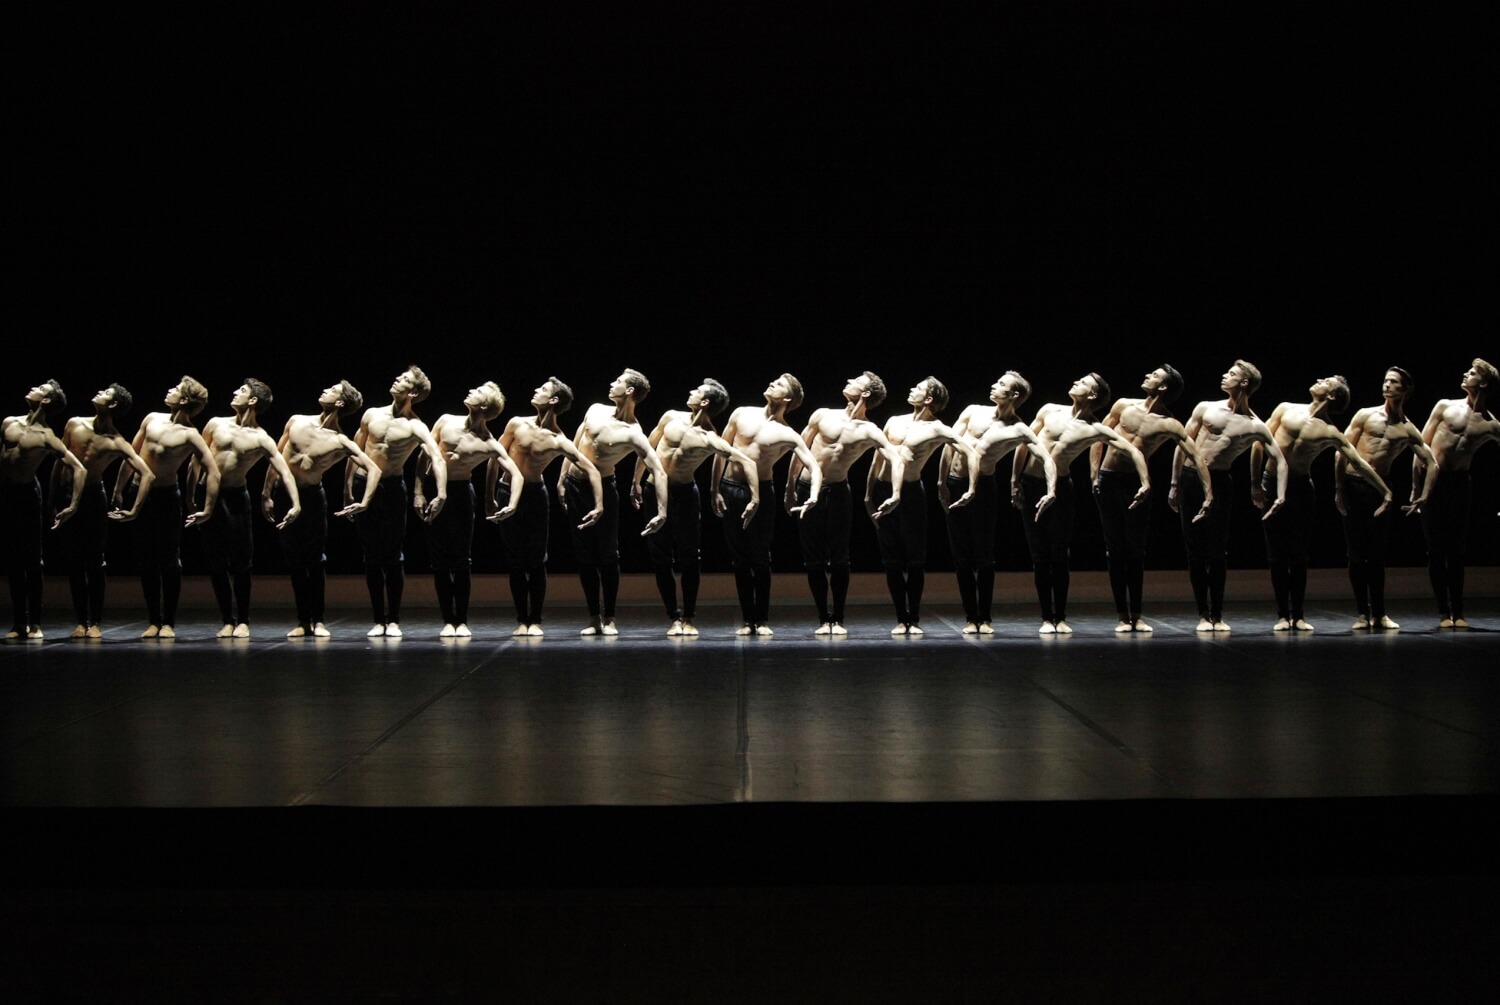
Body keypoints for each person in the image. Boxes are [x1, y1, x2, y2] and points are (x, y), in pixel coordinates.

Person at [1012, 372, 1151, 634]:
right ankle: (1046, 617)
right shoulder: (1050, 410)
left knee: (1059, 554)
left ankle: (1060, 617)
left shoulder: (1094, 428)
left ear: (1093, 395)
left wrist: (1145, 482)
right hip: (1032, 485)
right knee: (1039, 555)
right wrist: (1014, 481)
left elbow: (1132, 450)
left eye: (1083, 382)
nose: (1076, 382)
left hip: (1061, 489)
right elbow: (1025, 442)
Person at [1252, 376, 1391, 631]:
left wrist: (1385, 491)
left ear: (1331, 396)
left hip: (1300, 487)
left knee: (1299, 555)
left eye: (1325, 381)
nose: (1317, 380)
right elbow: (1260, 443)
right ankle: (1283, 615)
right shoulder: (1285, 408)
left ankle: (1299, 616)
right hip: (1271, 483)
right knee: (1277, 555)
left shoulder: (1330, 431)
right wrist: (1255, 483)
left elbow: (1358, 462)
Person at [1089, 365, 1213, 633]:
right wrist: (1094, 476)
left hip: (1138, 484)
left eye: (1154, 375)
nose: (1147, 375)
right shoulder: (1123, 405)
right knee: (1115, 550)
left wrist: (1208, 493)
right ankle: (1122, 616)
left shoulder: (1169, 423)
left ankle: (1138, 615)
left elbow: (1196, 456)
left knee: (1135, 550)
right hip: (1109, 480)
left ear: (1163, 387)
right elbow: (1098, 437)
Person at [632, 379, 760, 636]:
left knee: (690, 557)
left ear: (704, 402)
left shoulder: (709, 437)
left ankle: (688, 617)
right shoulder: (670, 417)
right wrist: (635, 480)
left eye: (697, 391)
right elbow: (647, 447)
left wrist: (755, 497)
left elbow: (747, 461)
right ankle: (673, 616)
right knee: (661, 557)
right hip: (653, 488)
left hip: (684, 495)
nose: (690, 392)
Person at [1174, 360, 1288, 632]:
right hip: (1191, 479)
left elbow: (1280, 461)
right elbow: (1182, 443)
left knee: (1217, 552)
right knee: (1195, 552)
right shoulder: (1206, 407)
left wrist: (1279, 495)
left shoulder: (1255, 425)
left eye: (1232, 374)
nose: (1225, 377)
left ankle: (1217, 615)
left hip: (1220, 480)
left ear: (1245, 383)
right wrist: (1173, 482)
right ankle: (1202, 613)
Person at [787, 372, 905, 635]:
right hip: (808, 488)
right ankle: (822, 618)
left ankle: (837, 618)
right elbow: (800, 450)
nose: (849, 380)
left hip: (839, 491)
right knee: (813, 558)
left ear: (865, 394)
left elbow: (895, 459)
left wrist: (896, 493)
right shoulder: (822, 414)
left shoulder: (869, 430)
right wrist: (790, 488)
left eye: (857, 381)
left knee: (839, 558)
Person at [940, 371, 1057, 635]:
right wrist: (941, 482)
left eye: (1002, 384)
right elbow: (949, 444)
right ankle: (971, 617)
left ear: (1014, 395)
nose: (994, 386)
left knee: (983, 555)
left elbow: (1045, 458)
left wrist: (1051, 490)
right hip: (956, 483)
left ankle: (986, 618)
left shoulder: (1018, 429)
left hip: (983, 488)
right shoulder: (973, 411)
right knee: (961, 555)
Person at [263, 381, 383, 638]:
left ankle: (319, 619)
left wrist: (364, 502)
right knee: (294, 561)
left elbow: (374, 468)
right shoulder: (296, 421)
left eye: (331, 390)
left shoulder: (341, 441)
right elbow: (276, 457)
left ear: (339, 403)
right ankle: (302, 620)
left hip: (312, 498)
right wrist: (266, 493)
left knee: (315, 561)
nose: (324, 390)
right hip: (285, 494)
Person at [558, 369, 668, 636]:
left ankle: (610, 617)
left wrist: (662, 511)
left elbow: (659, 470)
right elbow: (575, 442)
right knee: (584, 555)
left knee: (607, 555)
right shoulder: (595, 409)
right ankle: (593, 616)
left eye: (618, 381)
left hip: (604, 490)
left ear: (630, 391)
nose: (612, 383)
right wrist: (561, 479)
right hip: (575, 487)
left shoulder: (633, 433)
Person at [710, 374, 822, 636]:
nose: (772, 383)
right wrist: (714, 489)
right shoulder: (741, 413)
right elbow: (721, 450)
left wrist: (813, 495)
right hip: (730, 488)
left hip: (761, 492)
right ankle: (747, 620)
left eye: (779, 384)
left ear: (787, 398)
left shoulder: (787, 433)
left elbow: (813, 465)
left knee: (760, 558)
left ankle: (761, 620)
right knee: (739, 560)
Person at [867, 376, 981, 635]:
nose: (911, 388)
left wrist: (972, 488)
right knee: (891, 560)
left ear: (929, 399)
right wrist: (867, 494)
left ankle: (914, 618)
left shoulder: (937, 428)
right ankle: (900, 617)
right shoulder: (894, 421)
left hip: (910, 494)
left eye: (917, 388)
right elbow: (877, 458)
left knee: (914, 559)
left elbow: (970, 452)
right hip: (884, 489)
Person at [490, 378, 604, 636]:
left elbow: (591, 470)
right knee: (515, 560)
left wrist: (598, 505)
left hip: (534, 495)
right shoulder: (516, 423)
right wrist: (490, 497)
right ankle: (522, 620)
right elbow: (494, 457)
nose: (535, 390)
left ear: (554, 400)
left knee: (537, 560)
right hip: (507, 491)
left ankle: (535, 621)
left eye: (542, 389)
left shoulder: (559, 440)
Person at [190, 379, 302, 638]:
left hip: (236, 498)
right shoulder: (216, 423)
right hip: (210, 497)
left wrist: (295, 504)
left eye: (241, 390)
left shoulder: (261, 437)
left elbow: (283, 470)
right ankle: (227, 619)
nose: (234, 392)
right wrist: (192, 495)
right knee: (216, 561)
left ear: (253, 401)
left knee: (241, 562)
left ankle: (243, 620)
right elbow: (197, 461)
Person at [114, 376, 220, 639]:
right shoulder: (151, 418)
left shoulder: (190, 434)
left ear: (184, 400)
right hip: (139, 491)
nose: (169, 390)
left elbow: (212, 471)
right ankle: (154, 620)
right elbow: (132, 456)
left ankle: (169, 622)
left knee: (169, 560)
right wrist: (118, 489)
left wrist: (205, 507)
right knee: (146, 559)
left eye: (175, 389)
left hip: (165, 497)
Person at [345, 366, 448, 638]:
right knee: (370, 557)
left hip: (391, 488)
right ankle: (378, 619)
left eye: (403, 379)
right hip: (363, 483)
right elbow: (355, 451)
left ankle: (394, 620)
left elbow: (436, 457)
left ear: (412, 392)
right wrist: (347, 489)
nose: (396, 379)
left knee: (392, 557)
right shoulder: (371, 414)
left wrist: (440, 491)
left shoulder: (415, 426)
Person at [417, 382, 525, 637]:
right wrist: (419, 491)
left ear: (484, 406)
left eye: (476, 392)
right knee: (440, 561)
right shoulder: (445, 421)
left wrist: (511, 504)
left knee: (461, 559)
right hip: (435, 490)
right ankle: (447, 620)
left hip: (461, 494)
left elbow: (516, 474)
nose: (470, 391)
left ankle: (461, 621)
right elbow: (424, 457)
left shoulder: (488, 442)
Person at [1336, 366, 1439, 630]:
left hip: (1380, 490)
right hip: (1354, 486)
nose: (1387, 385)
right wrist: (1339, 490)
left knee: (1377, 555)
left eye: (1393, 382)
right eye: (1385, 381)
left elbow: (1431, 462)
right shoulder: (1365, 415)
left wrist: (1423, 496)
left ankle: (1379, 613)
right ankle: (1362, 613)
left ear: (1405, 390)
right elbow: (1341, 453)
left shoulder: (1407, 429)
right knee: (1357, 555)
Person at [51, 385, 155, 638]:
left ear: (113, 405)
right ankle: (80, 621)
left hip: (93, 498)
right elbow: (59, 460)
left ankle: (95, 622)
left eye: (105, 393)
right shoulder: (74, 423)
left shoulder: (116, 441)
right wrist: (53, 498)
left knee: (95, 562)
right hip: (66, 494)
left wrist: (134, 510)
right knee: (74, 562)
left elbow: (147, 474)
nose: (98, 392)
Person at [1413, 359, 1500, 628]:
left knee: (1457, 551)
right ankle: (1443, 612)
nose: (1466, 374)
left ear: (1483, 383)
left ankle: (1459, 612)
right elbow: (1421, 447)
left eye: (1473, 373)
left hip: (1459, 484)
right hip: (1434, 482)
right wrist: (1417, 489)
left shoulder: (1490, 424)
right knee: (1436, 551)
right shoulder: (1445, 406)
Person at [2, 381, 87, 640]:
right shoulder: (9, 422)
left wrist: (73, 505)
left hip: (27, 495)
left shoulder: (46, 436)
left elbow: (79, 469)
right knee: (13, 561)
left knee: (32, 561)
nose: (32, 389)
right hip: (6, 494)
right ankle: (19, 623)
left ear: (46, 401)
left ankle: (35, 624)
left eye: (39, 388)